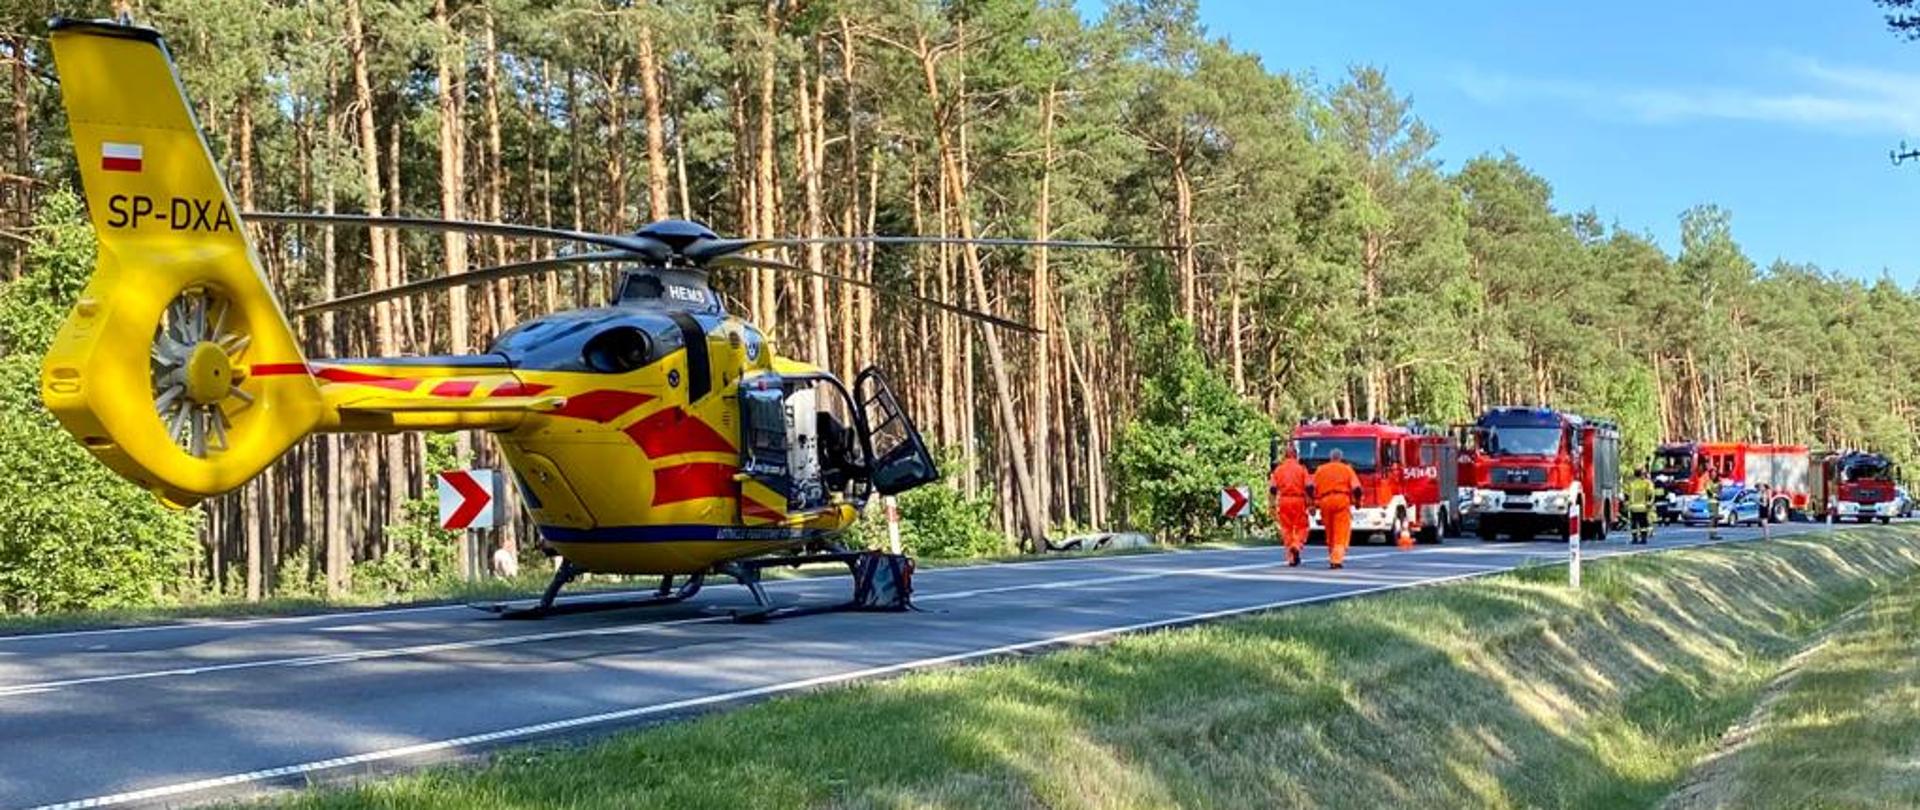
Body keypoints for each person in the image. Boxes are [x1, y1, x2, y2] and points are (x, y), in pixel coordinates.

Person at [1311, 447, 1364, 570]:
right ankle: (1336, 559)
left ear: (1330, 458)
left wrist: (1312, 504)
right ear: (1340, 458)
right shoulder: (1346, 469)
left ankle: (1332, 555)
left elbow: (1311, 488)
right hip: (1341, 500)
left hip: (1324, 501)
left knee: (1330, 532)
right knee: (1341, 532)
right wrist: (1357, 502)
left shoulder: (1320, 470)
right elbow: (1357, 488)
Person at [1269, 443, 1312, 567]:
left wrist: (1272, 504)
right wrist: (1311, 502)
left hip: (1284, 501)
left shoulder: (1279, 470)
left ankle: (1292, 558)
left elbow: (1272, 489)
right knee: (1302, 526)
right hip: (1298, 501)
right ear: (1296, 455)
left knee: (1286, 529)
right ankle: (1296, 545)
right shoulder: (1301, 469)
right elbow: (1309, 487)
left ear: (1285, 456)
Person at [1625, 466, 1657, 544]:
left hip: (1633, 507)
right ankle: (1643, 538)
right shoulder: (1647, 483)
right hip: (1643, 507)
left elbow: (1626, 494)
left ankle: (1634, 538)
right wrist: (1649, 503)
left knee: (1634, 524)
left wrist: (1626, 504)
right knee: (1643, 524)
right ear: (1642, 474)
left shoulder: (1631, 483)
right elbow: (1650, 494)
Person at [1703, 469, 1722, 540]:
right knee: (1713, 519)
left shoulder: (1718, 483)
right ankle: (1711, 534)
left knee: (1716, 520)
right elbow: (1708, 491)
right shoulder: (1708, 482)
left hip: (1717, 502)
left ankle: (1715, 533)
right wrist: (1714, 495)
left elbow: (1720, 491)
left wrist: (1720, 487)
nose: (1714, 475)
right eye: (1712, 474)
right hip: (1711, 502)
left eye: (1715, 474)